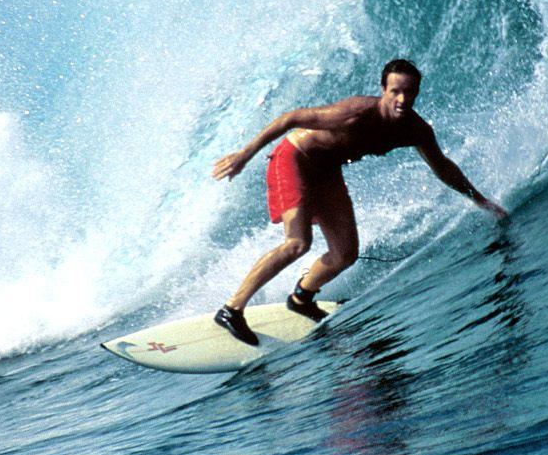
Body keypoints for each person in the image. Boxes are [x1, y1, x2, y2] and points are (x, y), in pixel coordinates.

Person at [209, 58, 508, 345]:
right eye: (395, 91)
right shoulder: (355, 113)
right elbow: (292, 118)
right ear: (383, 91)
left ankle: (301, 298)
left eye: (409, 91)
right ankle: (231, 310)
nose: (402, 99)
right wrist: (243, 156)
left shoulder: (415, 130)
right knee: (297, 243)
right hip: (296, 158)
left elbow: (442, 167)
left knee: (345, 254)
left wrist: (480, 200)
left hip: (327, 170)